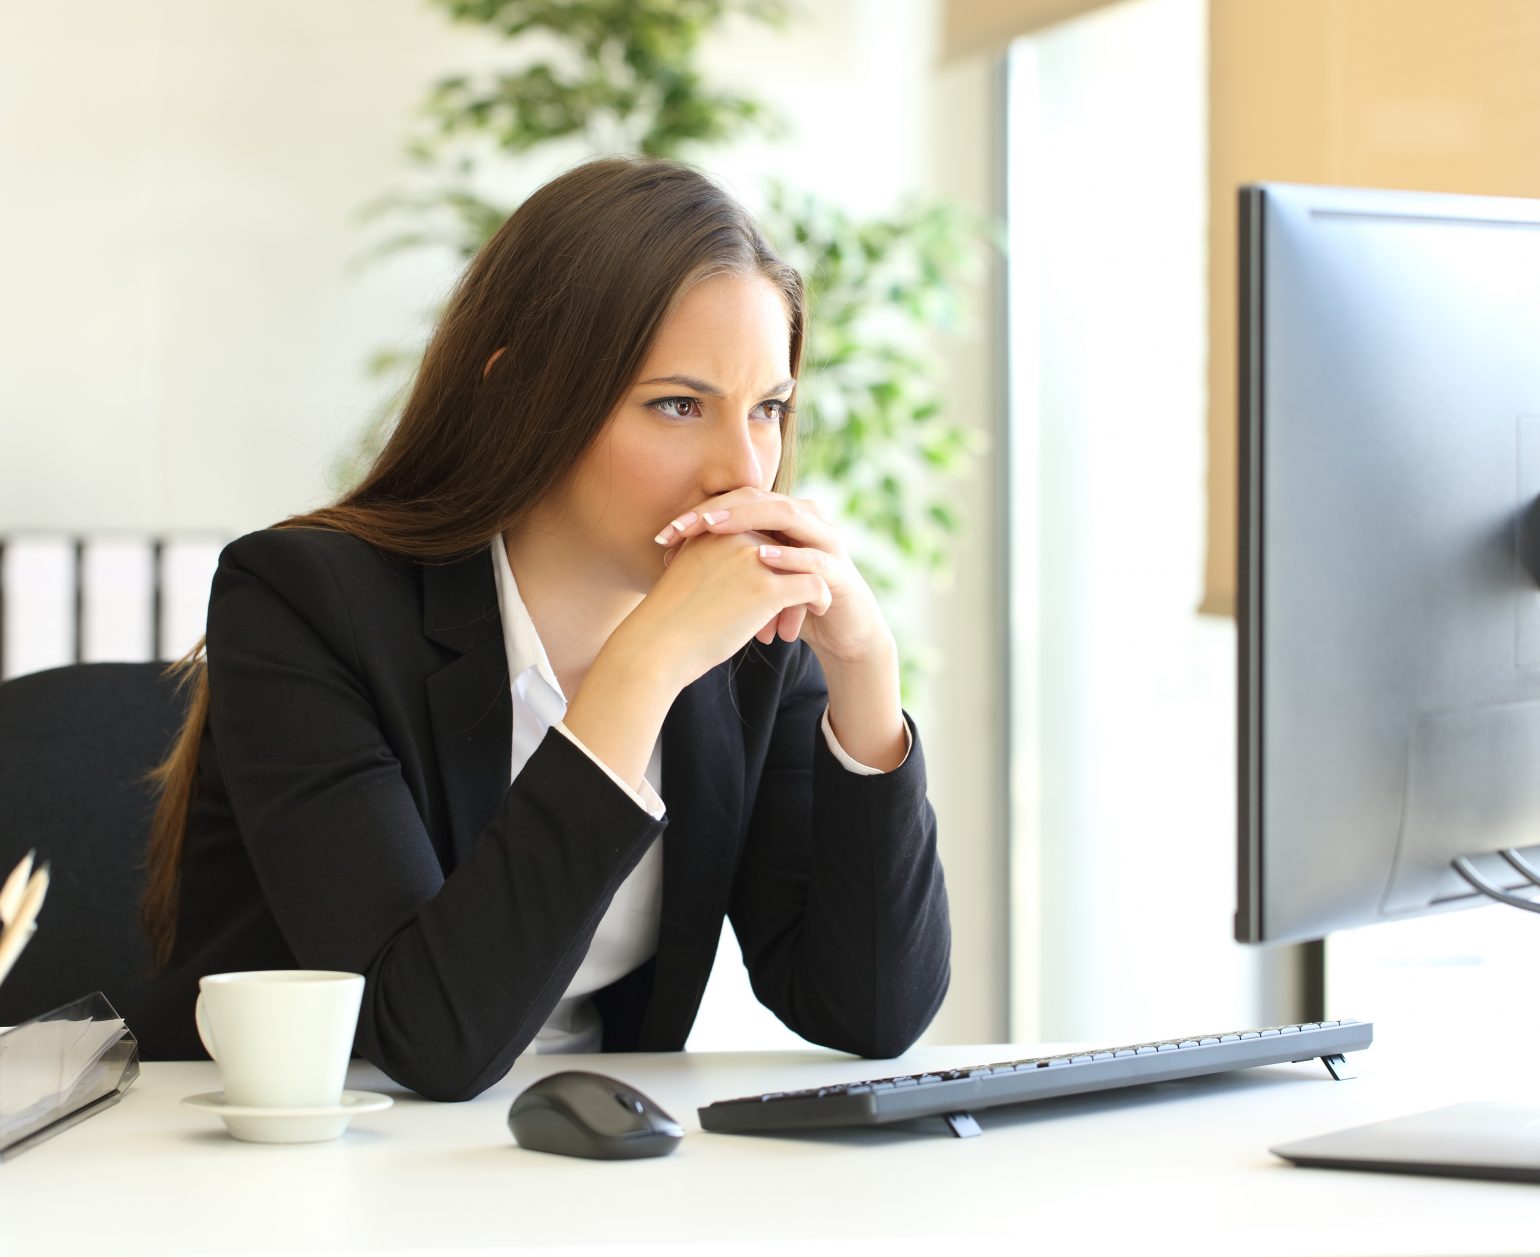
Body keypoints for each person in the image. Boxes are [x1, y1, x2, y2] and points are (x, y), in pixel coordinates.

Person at [131, 156, 950, 1101]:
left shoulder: (750, 645)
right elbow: (426, 1039)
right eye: (677, 405)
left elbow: (872, 1010)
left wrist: (864, 672)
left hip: (561, 1168)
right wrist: (643, 667)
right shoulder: (304, 602)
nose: (743, 470)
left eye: (768, 408)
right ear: (522, 394)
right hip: (276, 1163)